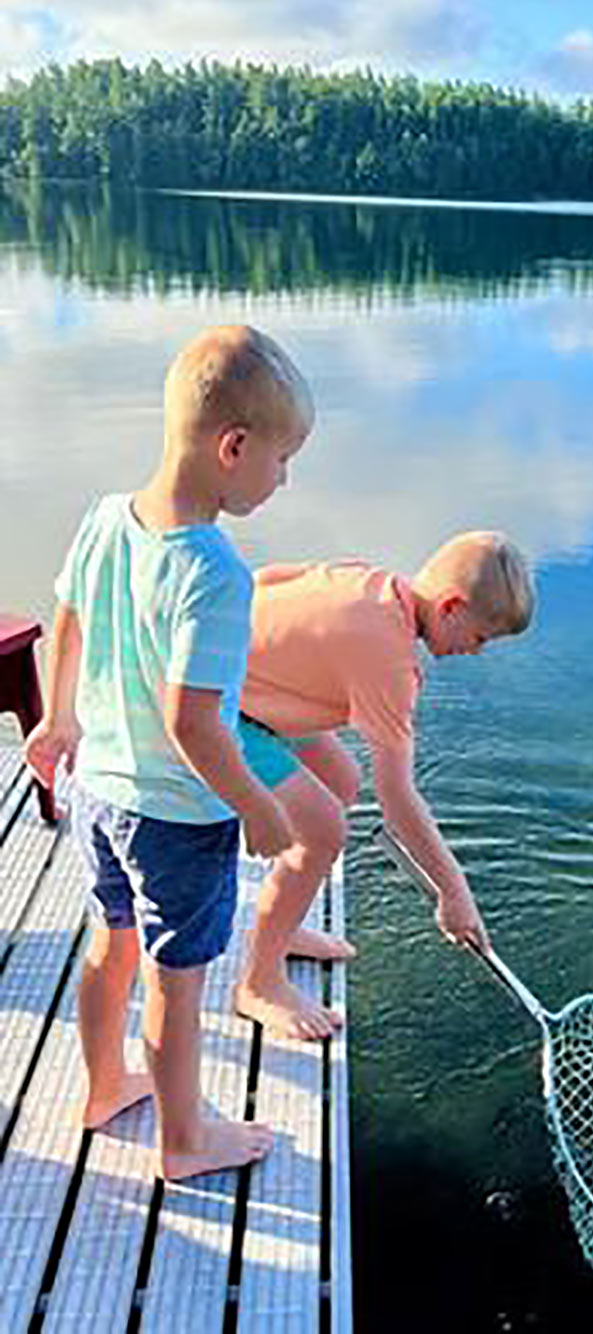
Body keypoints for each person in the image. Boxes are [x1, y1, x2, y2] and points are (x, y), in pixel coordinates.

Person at [24, 324, 313, 1181]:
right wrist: (262, 809)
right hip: (177, 819)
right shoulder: (216, 572)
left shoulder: (106, 517)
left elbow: (69, 615)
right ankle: (186, 1142)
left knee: (110, 946)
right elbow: (193, 724)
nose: (284, 477)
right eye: (282, 458)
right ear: (234, 446)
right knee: (176, 983)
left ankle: (105, 1084)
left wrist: (59, 717)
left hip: (97, 793)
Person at [233, 532, 535, 1040]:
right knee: (324, 831)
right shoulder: (391, 663)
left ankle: (278, 929)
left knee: (341, 782)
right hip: (219, 707)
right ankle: (258, 984)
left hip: (256, 690)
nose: (477, 652)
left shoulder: (372, 581)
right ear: (453, 607)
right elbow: (397, 799)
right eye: (481, 637)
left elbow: (268, 579)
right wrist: (454, 892)